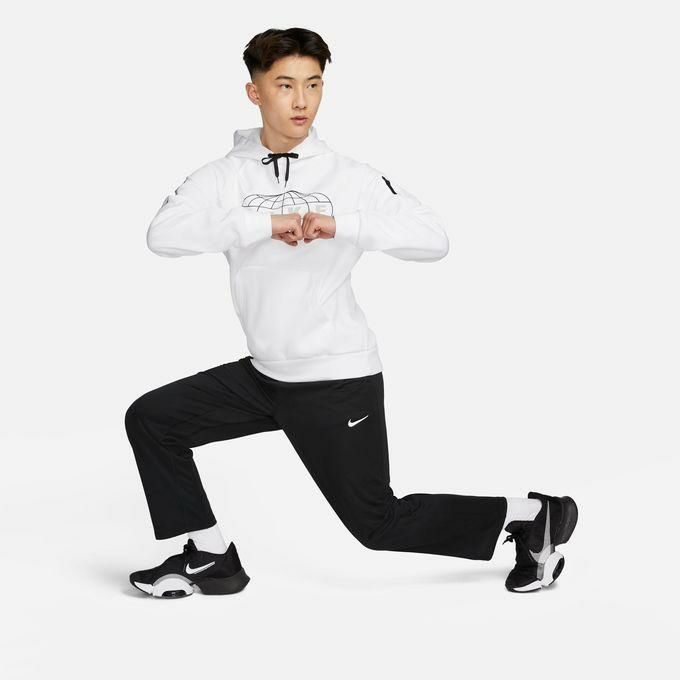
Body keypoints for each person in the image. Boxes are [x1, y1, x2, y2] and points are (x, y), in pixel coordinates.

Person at [125, 27, 578, 599]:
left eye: (313, 85)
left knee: (377, 524)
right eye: (284, 85)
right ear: (254, 92)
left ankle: (533, 515)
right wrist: (262, 223)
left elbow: (433, 239)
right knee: (153, 419)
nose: (301, 101)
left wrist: (345, 225)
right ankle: (211, 556)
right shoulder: (222, 177)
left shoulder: (349, 177)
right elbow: (163, 235)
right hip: (264, 375)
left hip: (334, 378)